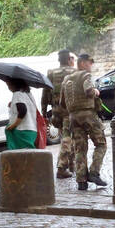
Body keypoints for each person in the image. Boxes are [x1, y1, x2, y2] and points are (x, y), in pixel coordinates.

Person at [59, 53, 107, 190]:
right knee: (101, 144)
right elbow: (89, 91)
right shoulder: (85, 75)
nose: (90, 65)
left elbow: (62, 102)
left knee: (80, 148)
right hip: (88, 115)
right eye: (89, 62)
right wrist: (96, 92)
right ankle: (94, 172)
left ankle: (81, 180)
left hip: (73, 117)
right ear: (81, 63)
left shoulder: (66, 79)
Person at [42, 49, 75, 178]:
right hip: (69, 111)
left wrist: (44, 112)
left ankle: (71, 165)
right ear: (68, 59)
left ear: (58, 60)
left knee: (65, 137)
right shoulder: (74, 72)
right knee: (67, 138)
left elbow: (45, 94)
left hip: (56, 111)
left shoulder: (51, 73)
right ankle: (61, 167)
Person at [4, 78, 39, 150]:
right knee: (29, 155)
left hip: (22, 131)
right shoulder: (28, 94)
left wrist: (13, 125)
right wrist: (13, 105)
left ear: (14, 84)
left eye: (8, 85)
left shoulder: (17, 94)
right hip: (31, 130)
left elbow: (23, 111)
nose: (8, 88)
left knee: (23, 157)